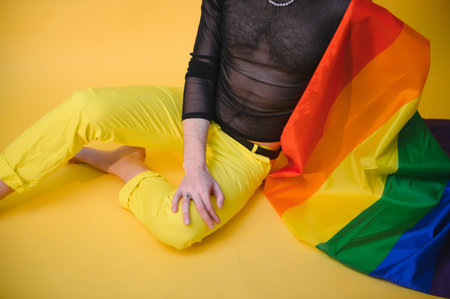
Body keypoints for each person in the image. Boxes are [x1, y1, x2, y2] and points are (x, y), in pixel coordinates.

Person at [0, 0, 351, 250]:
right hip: (197, 113)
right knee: (86, 106)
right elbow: (203, 66)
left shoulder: (343, 7)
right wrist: (194, 165)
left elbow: (361, 89)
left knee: (178, 229)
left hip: (248, 153)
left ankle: (122, 164)